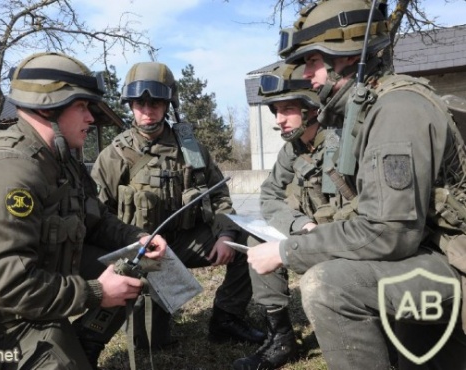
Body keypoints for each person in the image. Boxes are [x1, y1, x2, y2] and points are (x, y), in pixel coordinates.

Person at [247, 1, 466, 369]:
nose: (309, 76)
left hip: (450, 266)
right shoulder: (369, 110)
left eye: (313, 62)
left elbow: (387, 233)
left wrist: (288, 252)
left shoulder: (396, 110)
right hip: (428, 257)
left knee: (330, 286)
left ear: (347, 56)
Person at [0, 52, 167, 370]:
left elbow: (95, 218)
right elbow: (4, 285)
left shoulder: (61, 158)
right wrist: (94, 293)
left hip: (35, 292)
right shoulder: (10, 170)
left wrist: (138, 238)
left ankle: (85, 346)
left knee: (132, 266)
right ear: (48, 108)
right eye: (81, 107)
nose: (91, 118)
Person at [91, 61, 265, 349]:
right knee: (148, 343)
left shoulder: (191, 149)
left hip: (184, 241)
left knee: (248, 240)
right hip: (143, 252)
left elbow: (219, 195)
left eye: (156, 102)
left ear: (168, 104)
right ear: (131, 105)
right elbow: (96, 215)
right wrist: (127, 252)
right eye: (140, 103)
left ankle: (226, 318)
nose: (147, 110)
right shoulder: (114, 156)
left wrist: (224, 235)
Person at [233, 63, 330, 369]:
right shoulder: (292, 150)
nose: (279, 120)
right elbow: (269, 197)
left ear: (312, 107)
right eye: (275, 110)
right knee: (255, 238)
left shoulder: (341, 144)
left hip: (346, 242)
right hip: (312, 236)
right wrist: (302, 224)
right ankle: (281, 336)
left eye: (288, 109)